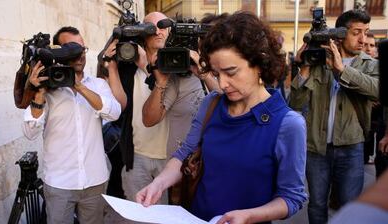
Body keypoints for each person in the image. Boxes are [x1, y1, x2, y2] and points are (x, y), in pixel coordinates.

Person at [136, 11, 307, 224]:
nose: (223, 84)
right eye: (216, 74)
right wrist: (158, 184)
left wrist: (249, 216)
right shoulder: (212, 104)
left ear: (260, 63)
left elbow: (292, 197)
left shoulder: (288, 124)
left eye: (231, 72)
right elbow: (184, 153)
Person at [22, 26, 121, 223]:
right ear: (57, 52)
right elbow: (29, 132)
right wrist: (39, 93)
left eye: (81, 48)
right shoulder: (48, 88)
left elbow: (114, 112)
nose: (78, 54)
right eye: (70, 48)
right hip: (59, 184)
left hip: (95, 180)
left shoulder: (98, 85)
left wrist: (79, 86)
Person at [289, 10, 379, 224]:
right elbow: (295, 104)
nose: (362, 39)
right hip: (316, 148)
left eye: (365, 32)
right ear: (340, 34)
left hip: (352, 146)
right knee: (317, 204)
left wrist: (341, 70)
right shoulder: (318, 61)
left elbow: (376, 90)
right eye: (356, 32)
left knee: (350, 205)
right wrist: (304, 67)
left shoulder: (370, 64)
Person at [140, 13, 222, 205]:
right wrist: (161, 82)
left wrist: (203, 73)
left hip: (217, 160)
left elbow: (227, 102)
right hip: (185, 166)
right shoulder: (176, 78)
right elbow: (149, 119)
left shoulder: (220, 71)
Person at [102, 12, 171, 204]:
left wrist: (145, 65)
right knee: (139, 215)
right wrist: (112, 67)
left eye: (163, 26)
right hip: (137, 154)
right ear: (141, 32)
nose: (158, 31)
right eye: (151, 27)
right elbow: (120, 105)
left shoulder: (178, 63)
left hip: (171, 157)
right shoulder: (128, 66)